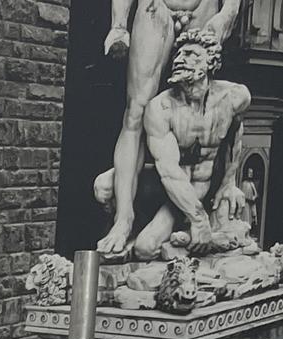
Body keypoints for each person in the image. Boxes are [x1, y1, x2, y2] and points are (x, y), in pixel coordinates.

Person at [97, 0, 244, 258]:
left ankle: (188, 215)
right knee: (136, 111)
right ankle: (124, 218)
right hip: (157, 7)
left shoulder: (236, 97)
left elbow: (235, 124)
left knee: (199, 98)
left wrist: (228, 12)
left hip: (204, 8)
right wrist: (119, 24)